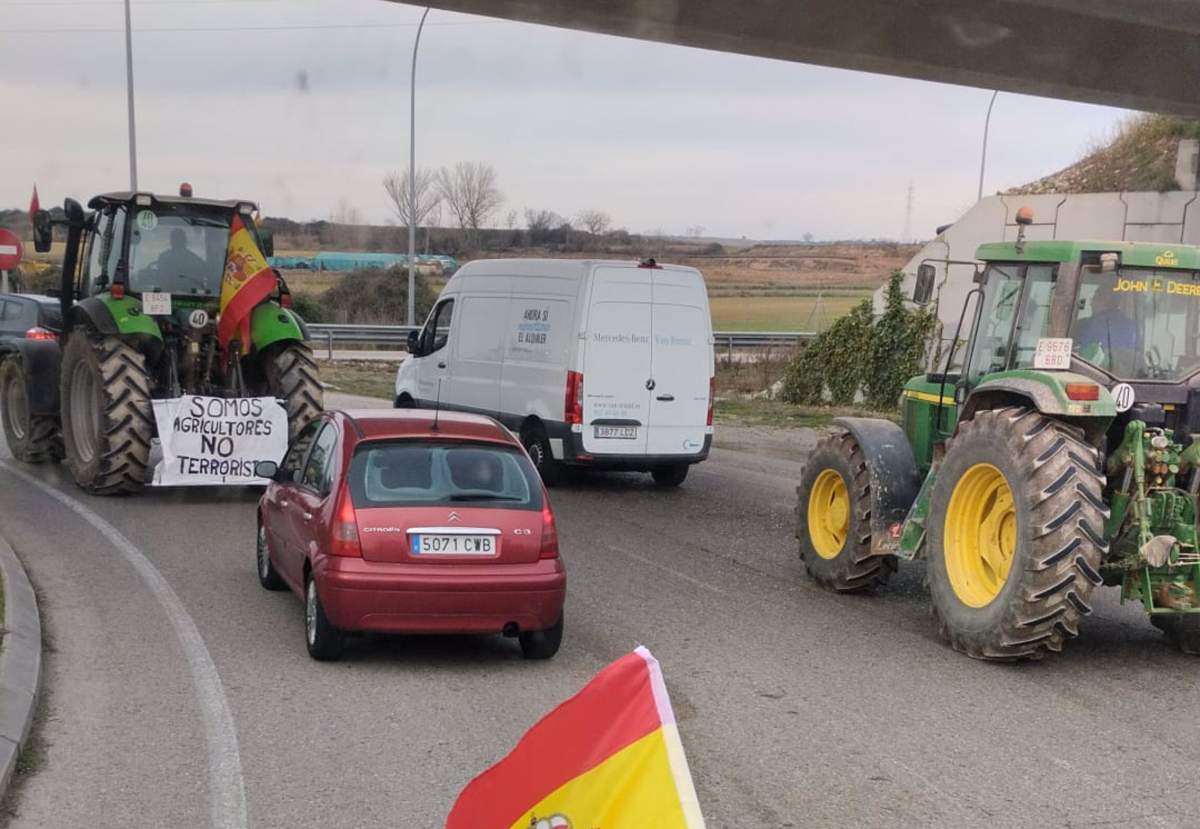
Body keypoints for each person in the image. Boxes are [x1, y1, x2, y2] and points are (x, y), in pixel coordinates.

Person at [1073, 285, 1138, 374]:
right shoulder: (1132, 326)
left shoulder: (1087, 324)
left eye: (1094, 299)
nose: (1091, 304)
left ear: (1105, 302)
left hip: (1094, 375)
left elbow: (1077, 353)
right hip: (1127, 375)